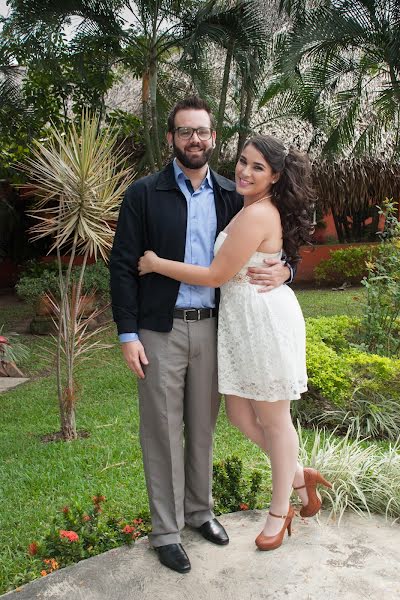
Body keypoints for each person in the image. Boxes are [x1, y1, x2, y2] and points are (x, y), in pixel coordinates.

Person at [110, 97, 293, 573]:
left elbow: (274, 240)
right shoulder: (144, 194)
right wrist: (128, 333)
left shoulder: (236, 194)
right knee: (162, 431)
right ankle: (166, 532)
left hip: (215, 329)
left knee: (204, 427)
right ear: (171, 138)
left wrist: (287, 270)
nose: (195, 139)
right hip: (159, 330)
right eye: (185, 131)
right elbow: (123, 265)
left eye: (203, 132)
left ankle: (199, 513)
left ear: (213, 137)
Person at [138, 133, 333, 552]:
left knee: (275, 421)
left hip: (262, 322)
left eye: (257, 167)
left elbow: (214, 275)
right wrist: (285, 267)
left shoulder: (258, 214)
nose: (245, 171)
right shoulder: (243, 204)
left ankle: (280, 512)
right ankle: (300, 476)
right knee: (240, 416)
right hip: (242, 324)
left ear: (275, 176)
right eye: (243, 161)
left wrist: (155, 263)